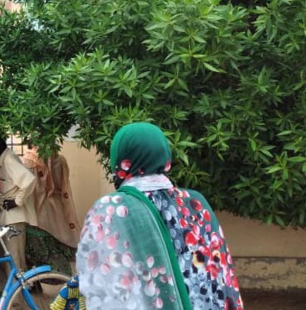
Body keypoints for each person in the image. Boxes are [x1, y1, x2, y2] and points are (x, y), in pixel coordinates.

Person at [76, 122, 243, 309]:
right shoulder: (196, 204)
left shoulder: (111, 210)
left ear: (120, 159)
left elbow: (100, 284)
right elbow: (220, 279)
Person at [0, 134, 37, 291]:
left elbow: (29, 180)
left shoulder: (9, 160)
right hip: (5, 217)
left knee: (14, 262)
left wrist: (17, 201)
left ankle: (17, 298)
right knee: (3, 260)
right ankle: (6, 295)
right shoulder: (2, 160)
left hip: (14, 218)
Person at [21, 144, 80, 274]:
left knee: (36, 248)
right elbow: (63, 183)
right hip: (58, 209)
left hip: (38, 209)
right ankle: (64, 278)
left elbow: (30, 187)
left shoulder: (29, 160)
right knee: (58, 245)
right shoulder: (60, 160)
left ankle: (36, 280)